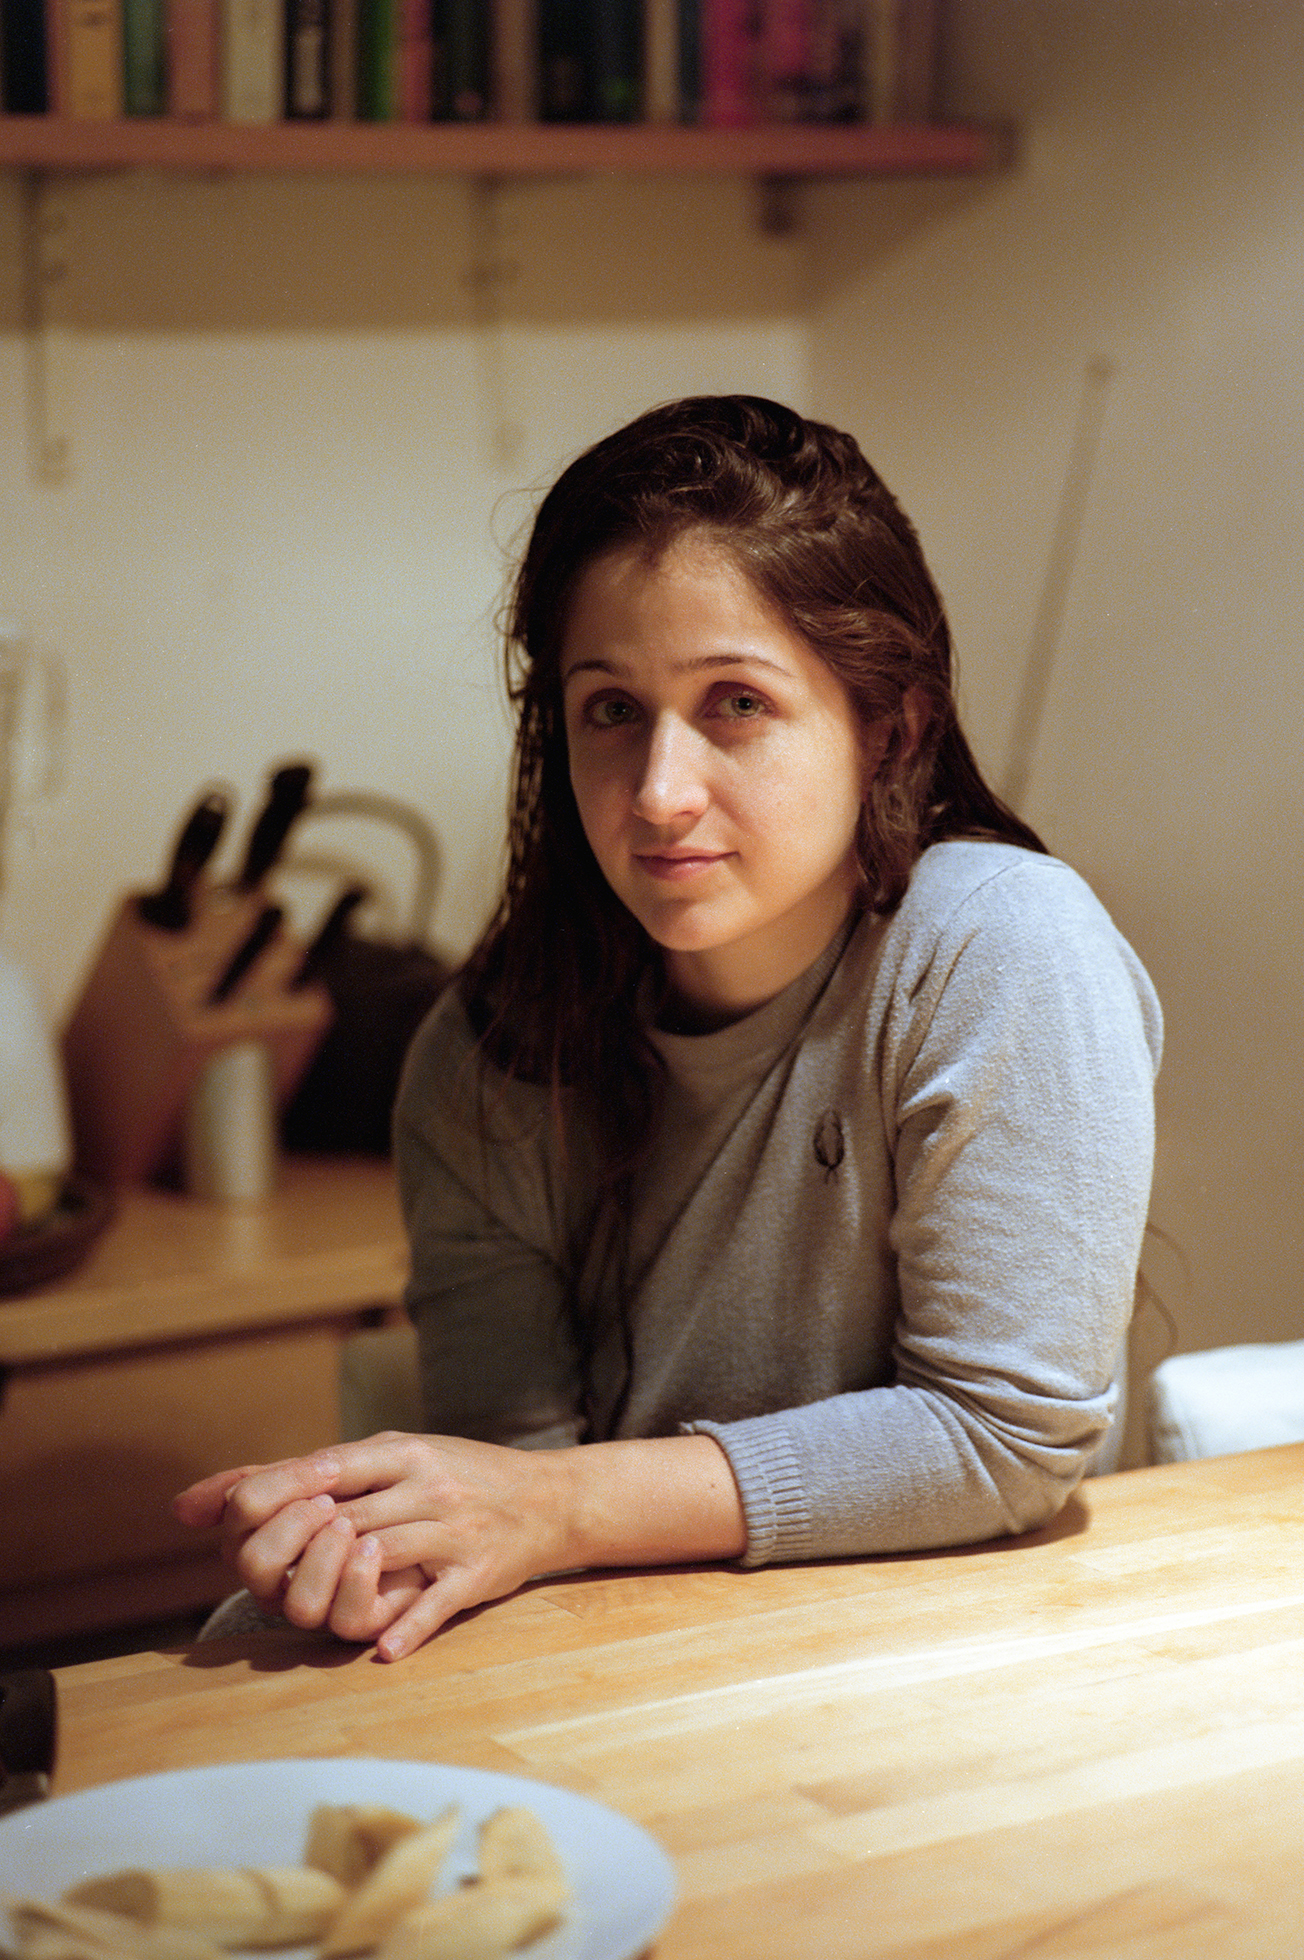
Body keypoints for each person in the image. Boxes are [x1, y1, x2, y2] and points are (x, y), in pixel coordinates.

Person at [175, 394, 1163, 1662]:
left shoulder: (997, 945)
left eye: (735, 703)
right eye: (610, 709)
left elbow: (1001, 1437)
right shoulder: (484, 1057)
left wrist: (551, 1506)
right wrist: (391, 1547)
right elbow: (507, 1481)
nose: (657, 792)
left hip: (972, 1653)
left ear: (890, 727)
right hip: (642, 1658)